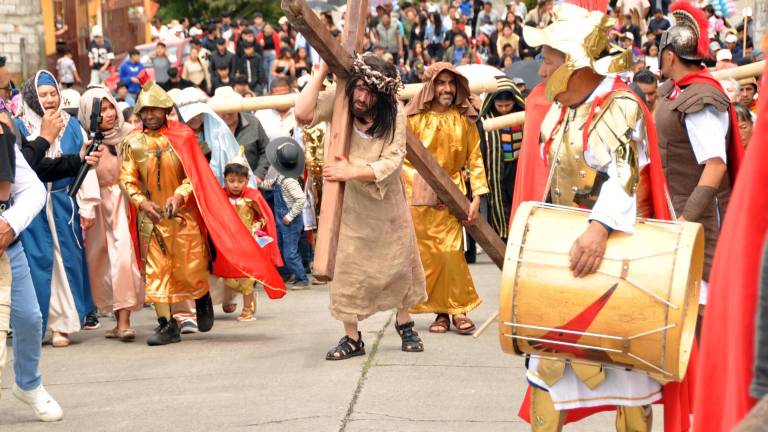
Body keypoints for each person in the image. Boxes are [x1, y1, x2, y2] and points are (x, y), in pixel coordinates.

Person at [511, 4, 695, 429]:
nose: (541, 72)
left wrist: (598, 229)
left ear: (574, 64)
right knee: (548, 373)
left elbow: (624, 179)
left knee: (627, 374)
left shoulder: (621, 107)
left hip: (619, 260)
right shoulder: (560, 110)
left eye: (549, 60)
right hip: (563, 257)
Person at [119, 80, 284, 345]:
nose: (149, 115)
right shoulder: (132, 142)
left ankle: (201, 295)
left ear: (166, 109)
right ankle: (166, 324)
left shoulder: (183, 136)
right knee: (157, 271)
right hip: (150, 219)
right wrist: (141, 203)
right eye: (144, 110)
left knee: (191, 266)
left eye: (154, 109)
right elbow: (127, 179)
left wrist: (179, 195)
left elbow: (194, 175)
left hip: (184, 217)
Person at [295, 55, 427, 359]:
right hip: (350, 206)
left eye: (371, 93)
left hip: (387, 203)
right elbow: (303, 113)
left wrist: (351, 170)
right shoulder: (341, 101)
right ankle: (352, 337)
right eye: (360, 89)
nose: (363, 98)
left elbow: (394, 160)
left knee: (399, 263)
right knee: (348, 270)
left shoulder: (394, 112)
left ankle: (404, 322)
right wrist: (321, 72)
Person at [656, 0, 744, 312]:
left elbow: (716, 166)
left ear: (669, 55)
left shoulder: (701, 99)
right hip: (679, 212)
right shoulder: (678, 90)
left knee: (701, 309)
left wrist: (685, 219)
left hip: (700, 221)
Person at [16, 71, 100, 348]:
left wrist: (87, 204)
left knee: (67, 263)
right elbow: (31, 167)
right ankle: (38, 324)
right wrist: (44, 138)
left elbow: (85, 166)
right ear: (32, 97)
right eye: (43, 94)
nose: (50, 99)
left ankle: (63, 324)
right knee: (38, 264)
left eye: (53, 93)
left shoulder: (73, 126)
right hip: (31, 208)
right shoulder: (20, 127)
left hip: (64, 201)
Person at [404, 62, 488, 335]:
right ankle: (440, 312)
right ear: (430, 87)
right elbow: (404, 161)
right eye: (441, 83)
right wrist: (426, 192)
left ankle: (459, 309)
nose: (447, 89)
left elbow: (475, 158)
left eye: (451, 84)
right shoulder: (413, 120)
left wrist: (476, 197)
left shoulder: (463, 119)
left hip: (453, 196)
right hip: (421, 198)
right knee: (429, 256)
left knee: (452, 253)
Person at [0, 112, 62, 421]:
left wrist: (8, 224)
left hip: (6, 248)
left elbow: (33, 190)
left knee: (29, 317)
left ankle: (28, 383)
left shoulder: (2, 136)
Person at [78, 86, 143, 342]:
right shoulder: (87, 142)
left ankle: (126, 322)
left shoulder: (130, 134)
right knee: (102, 263)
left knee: (123, 259)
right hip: (97, 203)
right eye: (100, 110)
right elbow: (83, 176)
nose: (108, 115)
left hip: (124, 202)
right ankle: (117, 320)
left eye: (109, 108)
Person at [220, 157, 277, 321]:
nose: (235, 185)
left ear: (247, 181)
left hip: (248, 243)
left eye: (240, 181)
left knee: (246, 277)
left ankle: (247, 309)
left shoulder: (253, 197)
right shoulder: (221, 197)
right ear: (225, 180)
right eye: (231, 181)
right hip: (228, 243)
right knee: (229, 276)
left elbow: (264, 217)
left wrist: (258, 225)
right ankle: (231, 298)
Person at [477, 76, 525, 242]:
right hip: (496, 171)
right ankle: (503, 238)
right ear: (492, 103)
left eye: (508, 105)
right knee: (499, 205)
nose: (504, 109)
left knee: (519, 204)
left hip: (519, 170)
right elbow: (480, 149)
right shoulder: (484, 121)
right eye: (500, 106)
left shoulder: (524, 116)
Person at [259, 138, 308, 289]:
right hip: (281, 218)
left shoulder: (289, 181)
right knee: (280, 247)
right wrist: (259, 183)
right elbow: (270, 184)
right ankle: (286, 273)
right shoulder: (280, 177)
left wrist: (290, 215)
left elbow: (301, 199)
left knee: (290, 252)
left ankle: (302, 278)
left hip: (289, 221)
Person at [209, 86, 271, 182]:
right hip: (220, 187)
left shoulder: (253, 123)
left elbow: (266, 150)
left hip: (252, 186)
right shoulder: (211, 128)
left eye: (231, 110)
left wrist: (258, 175)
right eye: (223, 111)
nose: (227, 114)